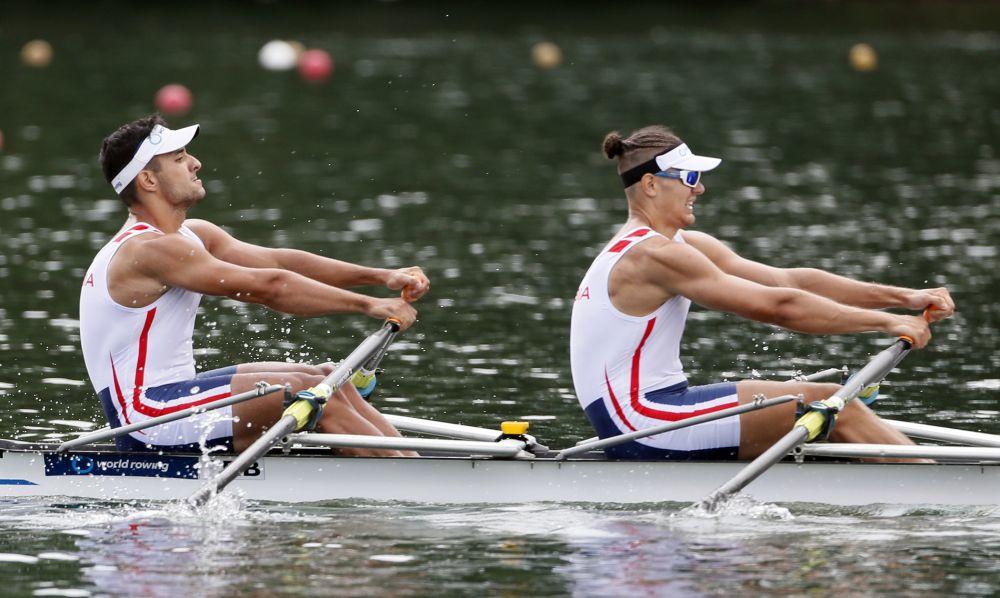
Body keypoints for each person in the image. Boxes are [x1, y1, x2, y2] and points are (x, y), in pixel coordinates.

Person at [569, 125, 954, 461]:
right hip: (642, 422)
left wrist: (904, 298)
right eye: (689, 177)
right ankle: (941, 498)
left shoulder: (678, 244)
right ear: (651, 184)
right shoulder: (652, 255)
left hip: (650, 412)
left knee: (818, 407)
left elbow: (788, 282)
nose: (700, 188)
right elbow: (779, 308)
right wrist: (886, 322)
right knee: (834, 403)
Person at [81, 115, 430, 456]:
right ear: (148, 180)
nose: (196, 163)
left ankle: (409, 467)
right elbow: (271, 287)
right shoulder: (149, 249)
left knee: (328, 377)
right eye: (179, 158)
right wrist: (369, 305)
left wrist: (380, 276)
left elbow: (279, 262)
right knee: (308, 390)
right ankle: (418, 488)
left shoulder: (193, 235)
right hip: (146, 421)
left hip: (175, 399)